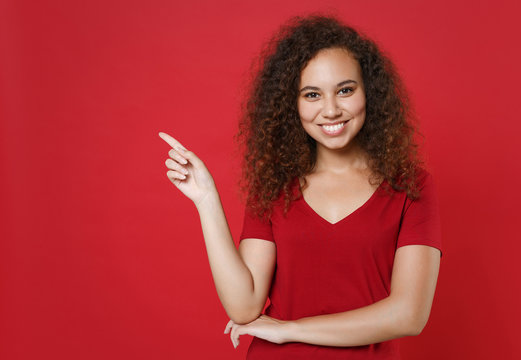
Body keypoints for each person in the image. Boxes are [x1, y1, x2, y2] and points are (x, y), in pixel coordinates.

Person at [159, 14, 442, 359]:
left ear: (370, 92)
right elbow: (244, 306)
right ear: (291, 105)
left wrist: (290, 330)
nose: (331, 109)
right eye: (312, 94)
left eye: (345, 90)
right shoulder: (274, 186)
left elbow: (409, 315)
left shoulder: (410, 186)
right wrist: (206, 200)